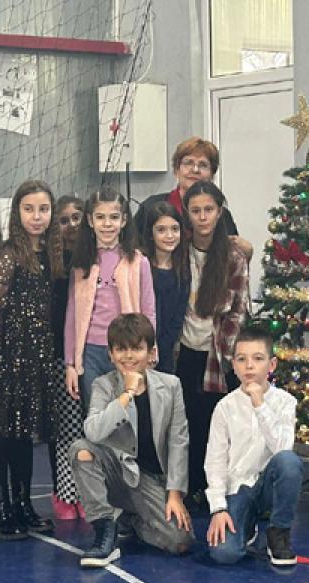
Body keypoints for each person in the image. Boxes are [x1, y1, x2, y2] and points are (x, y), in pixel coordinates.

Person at [0, 180, 62, 539]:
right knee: (0, 434)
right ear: (17, 213)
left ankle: (23, 504)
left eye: (43, 209)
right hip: (7, 357)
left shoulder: (50, 255)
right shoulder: (8, 254)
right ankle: (1, 508)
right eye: (29, 209)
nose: (37, 216)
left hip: (36, 358)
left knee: (24, 436)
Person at [70, 313, 193, 567]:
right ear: (111, 354)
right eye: (121, 349)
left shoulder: (171, 386)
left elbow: (178, 442)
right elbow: (93, 432)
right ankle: (105, 530)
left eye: (136, 349)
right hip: (118, 472)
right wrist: (126, 394)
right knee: (81, 450)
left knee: (180, 541)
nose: (128, 356)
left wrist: (175, 494)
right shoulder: (103, 385)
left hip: (150, 480)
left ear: (151, 353)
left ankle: (131, 520)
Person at [174, 181, 250, 505]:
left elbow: (238, 310)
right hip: (183, 351)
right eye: (196, 211)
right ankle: (189, 487)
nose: (202, 217)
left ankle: (215, 488)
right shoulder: (179, 251)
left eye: (208, 210)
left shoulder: (233, 256)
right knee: (187, 424)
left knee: (215, 425)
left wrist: (225, 352)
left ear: (219, 212)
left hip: (217, 354)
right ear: (187, 214)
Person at [205, 325, 302, 566]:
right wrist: (218, 509)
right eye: (242, 359)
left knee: (289, 462)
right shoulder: (224, 408)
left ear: (271, 365)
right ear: (234, 365)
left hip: (270, 485)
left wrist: (259, 404)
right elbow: (215, 460)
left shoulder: (285, 402)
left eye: (258, 359)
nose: (249, 366)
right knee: (224, 554)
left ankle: (278, 532)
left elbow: (282, 449)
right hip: (239, 488)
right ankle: (246, 527)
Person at [64, 185, 156, 405]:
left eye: (114, 217)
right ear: (90, 220)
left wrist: (151, 352)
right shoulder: (81, 264)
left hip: (128, 349)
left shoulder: (139, 262)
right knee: (96, 412)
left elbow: (149, 309)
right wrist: (70, 364)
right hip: (91, 352)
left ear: (124, 220)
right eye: (100, 217)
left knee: (128, 411)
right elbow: (72, 316)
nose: (107, 224)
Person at [134, 136, 252, 262]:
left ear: (212, 175)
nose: (195, 170)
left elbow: (231, 259)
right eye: (188, 163)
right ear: (176, 170)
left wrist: (247, 251)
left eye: (203, 165)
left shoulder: (222, 216)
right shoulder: (151, 207)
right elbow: (132, 250)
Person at [49, 194, 86, 520]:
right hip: (59, 355)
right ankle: (63, 492)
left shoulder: (93, 257)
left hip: (89, 352)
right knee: (64, 427)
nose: (71, 225)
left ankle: (88, 493)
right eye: (64, 220)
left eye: (77, 217)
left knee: (90, 426)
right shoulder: (52, 263)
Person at [140, 200, 189, 375]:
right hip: (139, 346)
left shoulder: (183, 269)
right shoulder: (141, 265)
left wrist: (162, 347)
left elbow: (178, 316)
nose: (169, 235)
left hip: (166, 351)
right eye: (161, 230)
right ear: (150, 233)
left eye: (175, 229)